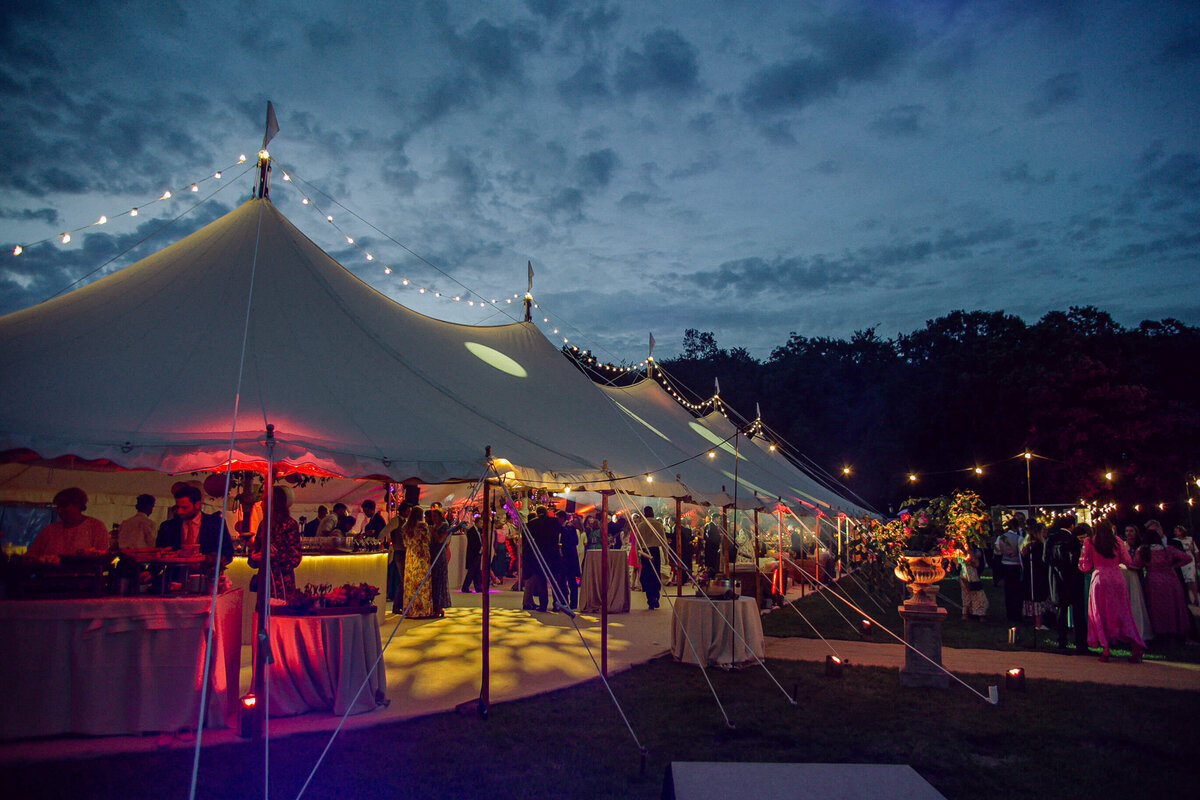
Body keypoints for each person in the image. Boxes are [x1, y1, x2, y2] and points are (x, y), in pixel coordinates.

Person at [1079, 524, 1146, 662]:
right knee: (1123, 613)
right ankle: (1135, 646)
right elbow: (1127, 561)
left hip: (1099, 579)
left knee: (1099, 613)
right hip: (1117, 578)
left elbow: (1084, 565)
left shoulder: (1090, 541)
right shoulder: (1117, 541)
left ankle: (1105, 648)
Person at [1131, 524, 1192, 644]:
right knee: (1173, 605)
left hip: (1153, 580)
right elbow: (1187, 558)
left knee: (1157, 607)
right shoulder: (1168, 549)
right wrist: (1173, 566)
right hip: (1170, 579)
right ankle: (1176, 632)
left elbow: (1135, 565)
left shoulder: (1143, 551)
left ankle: (1160, 632)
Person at [155, 484, 234, 566]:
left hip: (205, 575)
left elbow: (228, 553)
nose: (179, 511)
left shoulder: (216, 524)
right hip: (174, 576)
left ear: (197, 504)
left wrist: (212, 560)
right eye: (178, 507)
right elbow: (158, 555)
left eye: (184, 507)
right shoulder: (168, 526)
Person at [248, 485, 302, 597]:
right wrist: (253, 556)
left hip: (282, 584)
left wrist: (272, 556)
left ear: (273, 503)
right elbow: (255, 556)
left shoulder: (289, 524)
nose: (261, 504)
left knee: (280, 613)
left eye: (263, 500)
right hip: (264, 583)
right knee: (262, 612)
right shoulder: (263, 524)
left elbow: (294, 558)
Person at [27, 487, 109, 557]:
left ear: (77, 506)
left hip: (84, 575)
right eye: (58, 507)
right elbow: (31, 556)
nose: (59, 510)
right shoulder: (50, 530)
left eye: (64, 506)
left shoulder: (95, 527)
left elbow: (102, 556)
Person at [1045, 519, 1087, 652]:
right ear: (1071, 526)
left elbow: (1045, 559)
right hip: (1073, 579)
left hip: (1056, 579)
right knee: (1077, 612)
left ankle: (1062, 641)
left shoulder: (1050, 539)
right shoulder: (1072, 540)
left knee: (1061, 610)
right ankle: (1080, 643)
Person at [396, 505, 433, 618]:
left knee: (410, 583)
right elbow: (427, 540)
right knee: (422, 583)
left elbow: (405, 542)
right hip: (421, 555)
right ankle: (422, 610)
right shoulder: (422, 526)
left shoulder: (405, 527)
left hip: (410, 555)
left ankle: (410, 609)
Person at [522, 506, 561, 612]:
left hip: (540, 555)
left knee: (541, 582)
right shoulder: (554, 521)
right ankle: (556, 604)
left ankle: (543, 605)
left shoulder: (533, 523)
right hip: (553, 554)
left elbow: (529, 540)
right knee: (554, 582)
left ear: (537, 513)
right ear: (546, 512)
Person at [1121, 524, 1154, 642]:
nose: (1129, 533)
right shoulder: (1123, 545)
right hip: (1126, 574)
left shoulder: (1141, 546)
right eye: (1127, 531)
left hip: (1138, 573)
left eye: (1131, 531)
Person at [634, 506, 668, 610]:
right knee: (656, 574)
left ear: (644, 514)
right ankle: (655, 596)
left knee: (647, 575)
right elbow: (664, 542)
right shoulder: (658, 525)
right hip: (655, 551)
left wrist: (637, 556)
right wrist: (666, 557)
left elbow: (637, 543)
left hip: (645, 552)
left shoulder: (641, 525)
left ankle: (650, 598)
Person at [1021, 521, 1051, 631]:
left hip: (1030, 576)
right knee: (1037, 599)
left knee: (1034, 599)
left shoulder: (1028, 545)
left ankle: (1036, 621)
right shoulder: (1037, 546)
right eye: (1043, 531)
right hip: (1037, 576)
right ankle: (1038, 623)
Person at [994, 517, 1024, 623]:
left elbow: (997, 552)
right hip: (1015, 565)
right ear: (1017, 527)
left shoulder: (1000, 538)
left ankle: (1009, 613)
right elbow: (1021, 554)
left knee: (1008, 591)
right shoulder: (1019, 538)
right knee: (1017, 591)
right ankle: (1017, 614)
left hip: (1005, 564)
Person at [428, 507, 451, 615]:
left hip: (439, 555)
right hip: (432, 553)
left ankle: (439, 605)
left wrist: (434, 532)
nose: (433, 518)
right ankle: (433, 605)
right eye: (432, 516)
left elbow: (441, 540)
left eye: (435, 516)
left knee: (439, 580)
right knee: (433, 581)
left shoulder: (444, 526)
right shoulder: (434, 526)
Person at [958, 543, 989, 621]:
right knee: (978, 593)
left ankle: (966, 613)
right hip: (971, 573)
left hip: (963, 572)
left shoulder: (958, 550)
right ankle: (980, 614)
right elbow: (976, 563)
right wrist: (977, 557)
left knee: (966, 593)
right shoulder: (968, 550)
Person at [557, 510, 581, 610]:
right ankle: (567, 601)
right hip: (568, 557)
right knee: (566, 581)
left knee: (571, 581)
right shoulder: (567, 527)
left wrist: (562, 546)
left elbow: (574, 542)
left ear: (561, 518)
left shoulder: (568, 528)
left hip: (569, 558)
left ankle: (573, 602)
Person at [1173, 525, 1198, 606]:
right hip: (1180, 561)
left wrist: (1198, 561)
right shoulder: (1174, 541)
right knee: (1184, 580)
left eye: (1177, 531)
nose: (1175, 532)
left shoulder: (1190, 539)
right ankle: (1187, 598)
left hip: (1190, 560)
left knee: (1192, 579)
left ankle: (1196, 598)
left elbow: (1195, 550)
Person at [461, 512, 484, 594]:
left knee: (476, 572)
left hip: (477, 554)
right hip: (473, 554)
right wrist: (479, 549)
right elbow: (472, 543)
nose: (482, 524)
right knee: (471, 572)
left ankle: (478, 587)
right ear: (477, 523)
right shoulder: (472, 531)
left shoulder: (478, 531)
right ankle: (465, 587)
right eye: (481, 523)